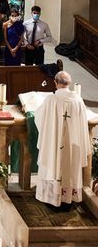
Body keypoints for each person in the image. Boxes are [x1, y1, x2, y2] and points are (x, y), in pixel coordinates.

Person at [34, 71, 90, 208]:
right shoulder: (78, 101)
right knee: (69, 168)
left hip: (54, 144)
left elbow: (39, 117)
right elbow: (83, 124)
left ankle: (52, 198)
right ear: (69, 84)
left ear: (55, 82)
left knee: (53, 165)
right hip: (72, 146)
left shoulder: (51, 100)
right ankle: (67, 199)